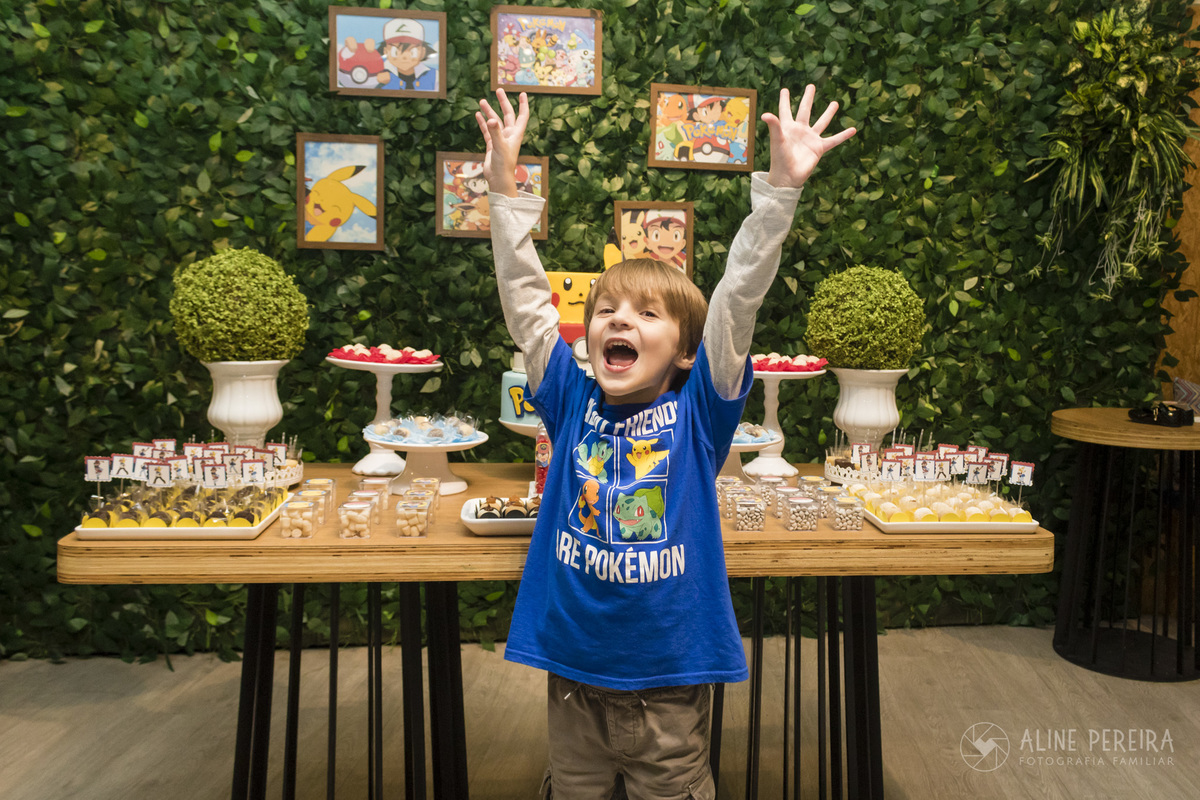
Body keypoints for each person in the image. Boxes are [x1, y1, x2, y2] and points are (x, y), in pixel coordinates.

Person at [477, 85, 855, 799]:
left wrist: (777, 192)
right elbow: (527, 301)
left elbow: (738, 299)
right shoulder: (569, 397)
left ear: (686, 351)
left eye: (649, 313)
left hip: (671, 689)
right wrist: (503, 187)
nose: (621, 320)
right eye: (607, 311)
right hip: (572, 681)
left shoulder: (699, 413)